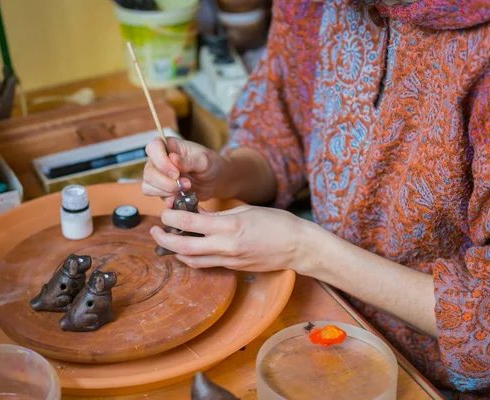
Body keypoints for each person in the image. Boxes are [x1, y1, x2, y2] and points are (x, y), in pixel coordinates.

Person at [142, 0, 490, 397]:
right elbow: (278, 136)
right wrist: (224, 171)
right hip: (322, 310)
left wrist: (305, 249)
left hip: (429, 377)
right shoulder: (311, 5)